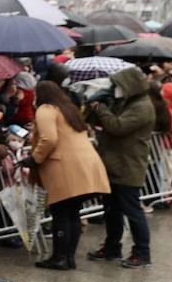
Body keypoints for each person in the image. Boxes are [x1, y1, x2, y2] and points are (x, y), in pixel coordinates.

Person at [30, 83, 110, 270]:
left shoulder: (46, 109)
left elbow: (49, 138)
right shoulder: (68, 108)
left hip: (65, 167)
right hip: (86, 165)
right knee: (73, 213)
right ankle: (68, 258)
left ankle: (59, 258)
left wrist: (35, 158)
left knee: (61, 213)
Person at [86, 67, 155, 268]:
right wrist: (103, 103)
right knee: (112, 210)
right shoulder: (127, 102)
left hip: (128, 166)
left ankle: (142, 253)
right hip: (114, 164)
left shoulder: (142, 106)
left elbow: (117, 126)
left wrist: (102, 108)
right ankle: (112, 247)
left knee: (133, 211)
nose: (115, 89)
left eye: (117, 86)